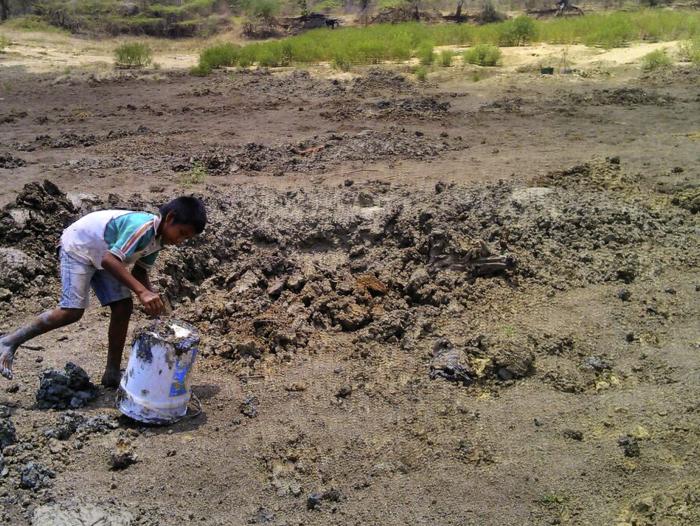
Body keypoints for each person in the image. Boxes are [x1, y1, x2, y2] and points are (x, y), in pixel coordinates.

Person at [0, 196, 207, 386]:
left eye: (186, 239)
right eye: (182, 233)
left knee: (123, 307)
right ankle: (9, 342)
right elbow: (109, 260)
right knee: (72, 311)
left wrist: (151, 297)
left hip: (103, 254)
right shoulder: (143, 228)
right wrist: (142, 293)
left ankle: (112, 373)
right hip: (79, 247)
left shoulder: (159, 240)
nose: (180, 241)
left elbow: (140, 272)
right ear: (170, 218)